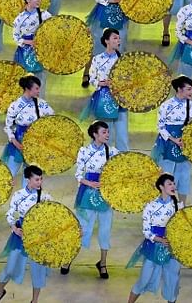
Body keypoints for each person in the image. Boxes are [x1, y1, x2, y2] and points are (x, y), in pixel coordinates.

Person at [0, 165, 52, 303]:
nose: (40, 182)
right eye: (36, 179)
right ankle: (0, 292)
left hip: (38, 237)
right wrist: (14, 228)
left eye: (41, 179)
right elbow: (10, 213)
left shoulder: (45, 197)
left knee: (38, 271)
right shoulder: (18, 195)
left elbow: (54, 215)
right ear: (27, 179)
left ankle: (34, 301)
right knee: (10, 267)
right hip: (20, 235)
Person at [126, 173, 183, 303]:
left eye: (173, 183)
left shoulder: (179, 207)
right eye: (169, 184)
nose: (173, 186)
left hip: (172, 247)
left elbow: (186, 227)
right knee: (144, 279)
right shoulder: (150, 206)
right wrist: (159, 239)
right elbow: (146, 231)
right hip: (154, 246)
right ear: (161, 187)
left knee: (172, 280)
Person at [71, 120, 116, 279]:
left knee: (105, 229)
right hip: (88, 192)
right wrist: (89, 183)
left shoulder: (112, 152)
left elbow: (120, 171)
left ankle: (103, 263)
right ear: (95, 134)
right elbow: (78, 174)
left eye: (108, 132)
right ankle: (69, 257)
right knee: (83, 227)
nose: (107, 135)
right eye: (104, 132)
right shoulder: (84, 151)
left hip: (105, 194)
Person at [152, 76, 192, 202]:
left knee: (184, 175)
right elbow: (160, 126)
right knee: (166, 174)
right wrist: (174, 139)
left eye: (191, 89)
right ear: (179, 89)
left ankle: (182, 205)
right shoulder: (166, 106)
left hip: (185, 144)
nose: (191, 92)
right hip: (168, 143)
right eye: (188, 89)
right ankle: (165, 203)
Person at [2, 75, 54, 175]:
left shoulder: (42, 104)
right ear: (27, 89)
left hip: (35, 142)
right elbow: (8, 126)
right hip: (18, 142)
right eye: (36, 88)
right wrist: (14, 141)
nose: (38, 91)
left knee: (31, 175)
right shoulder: (15, 105)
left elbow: (53, 119)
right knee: (10, 173)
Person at [12, 0, 51, 77]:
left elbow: (55, 26)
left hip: (40, 49)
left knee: (40, 77)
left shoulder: (45, 14)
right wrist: (28, 42)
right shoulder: (19, 19)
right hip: (24, 52)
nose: (39, 0)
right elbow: (15, 36)